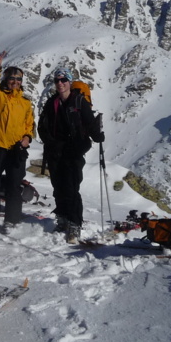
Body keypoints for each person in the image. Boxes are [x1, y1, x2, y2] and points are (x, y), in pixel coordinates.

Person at [37, 67, 104, 243]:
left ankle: (74, 223)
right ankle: (62, 218)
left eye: (63, 80)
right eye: (57, 81)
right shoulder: (52, 103)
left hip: (74, 151)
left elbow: (90, 124)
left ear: (69, 82)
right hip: (55, 151)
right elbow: (42, 126)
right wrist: (50, 142)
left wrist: (97, 135)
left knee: (72, 188)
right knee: (58, 186)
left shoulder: (79, 102)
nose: (60, 83)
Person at [0, 48, 35, 233]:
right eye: (12, 78)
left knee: (14, 185)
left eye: (18, 79)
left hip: (16, 149)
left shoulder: (26, 103)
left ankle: (12, 219)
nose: (15, 82)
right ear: (6, 79)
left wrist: (27, 137)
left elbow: (29, 124)